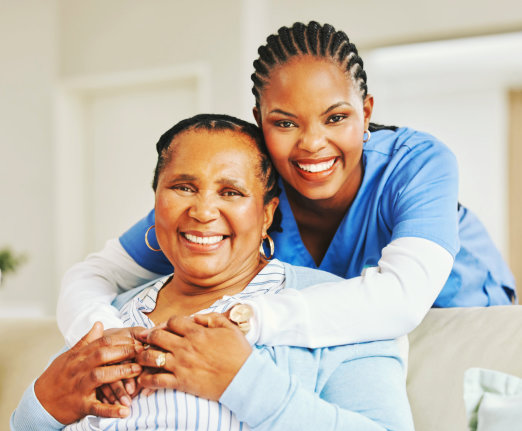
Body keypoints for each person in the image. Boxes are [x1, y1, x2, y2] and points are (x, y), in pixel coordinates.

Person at [57, 21, 516, 353]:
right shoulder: (242, 193)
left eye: (336, 117)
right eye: (285, 122)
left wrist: (249, 320)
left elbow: (401, 298)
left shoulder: (417, 164)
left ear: (367, 111)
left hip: (467, 323)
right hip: (354, 344)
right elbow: (93, 275)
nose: (313, 144)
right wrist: (101, 330)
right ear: (260, 122)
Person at [8, 114, 415, 431]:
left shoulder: (341, 308)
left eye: (231, 192)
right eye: (183, 187)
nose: (203, 211)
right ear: (156, 204)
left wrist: (242, 381)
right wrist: (40, 408)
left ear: (267, 214)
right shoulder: (106, 314)